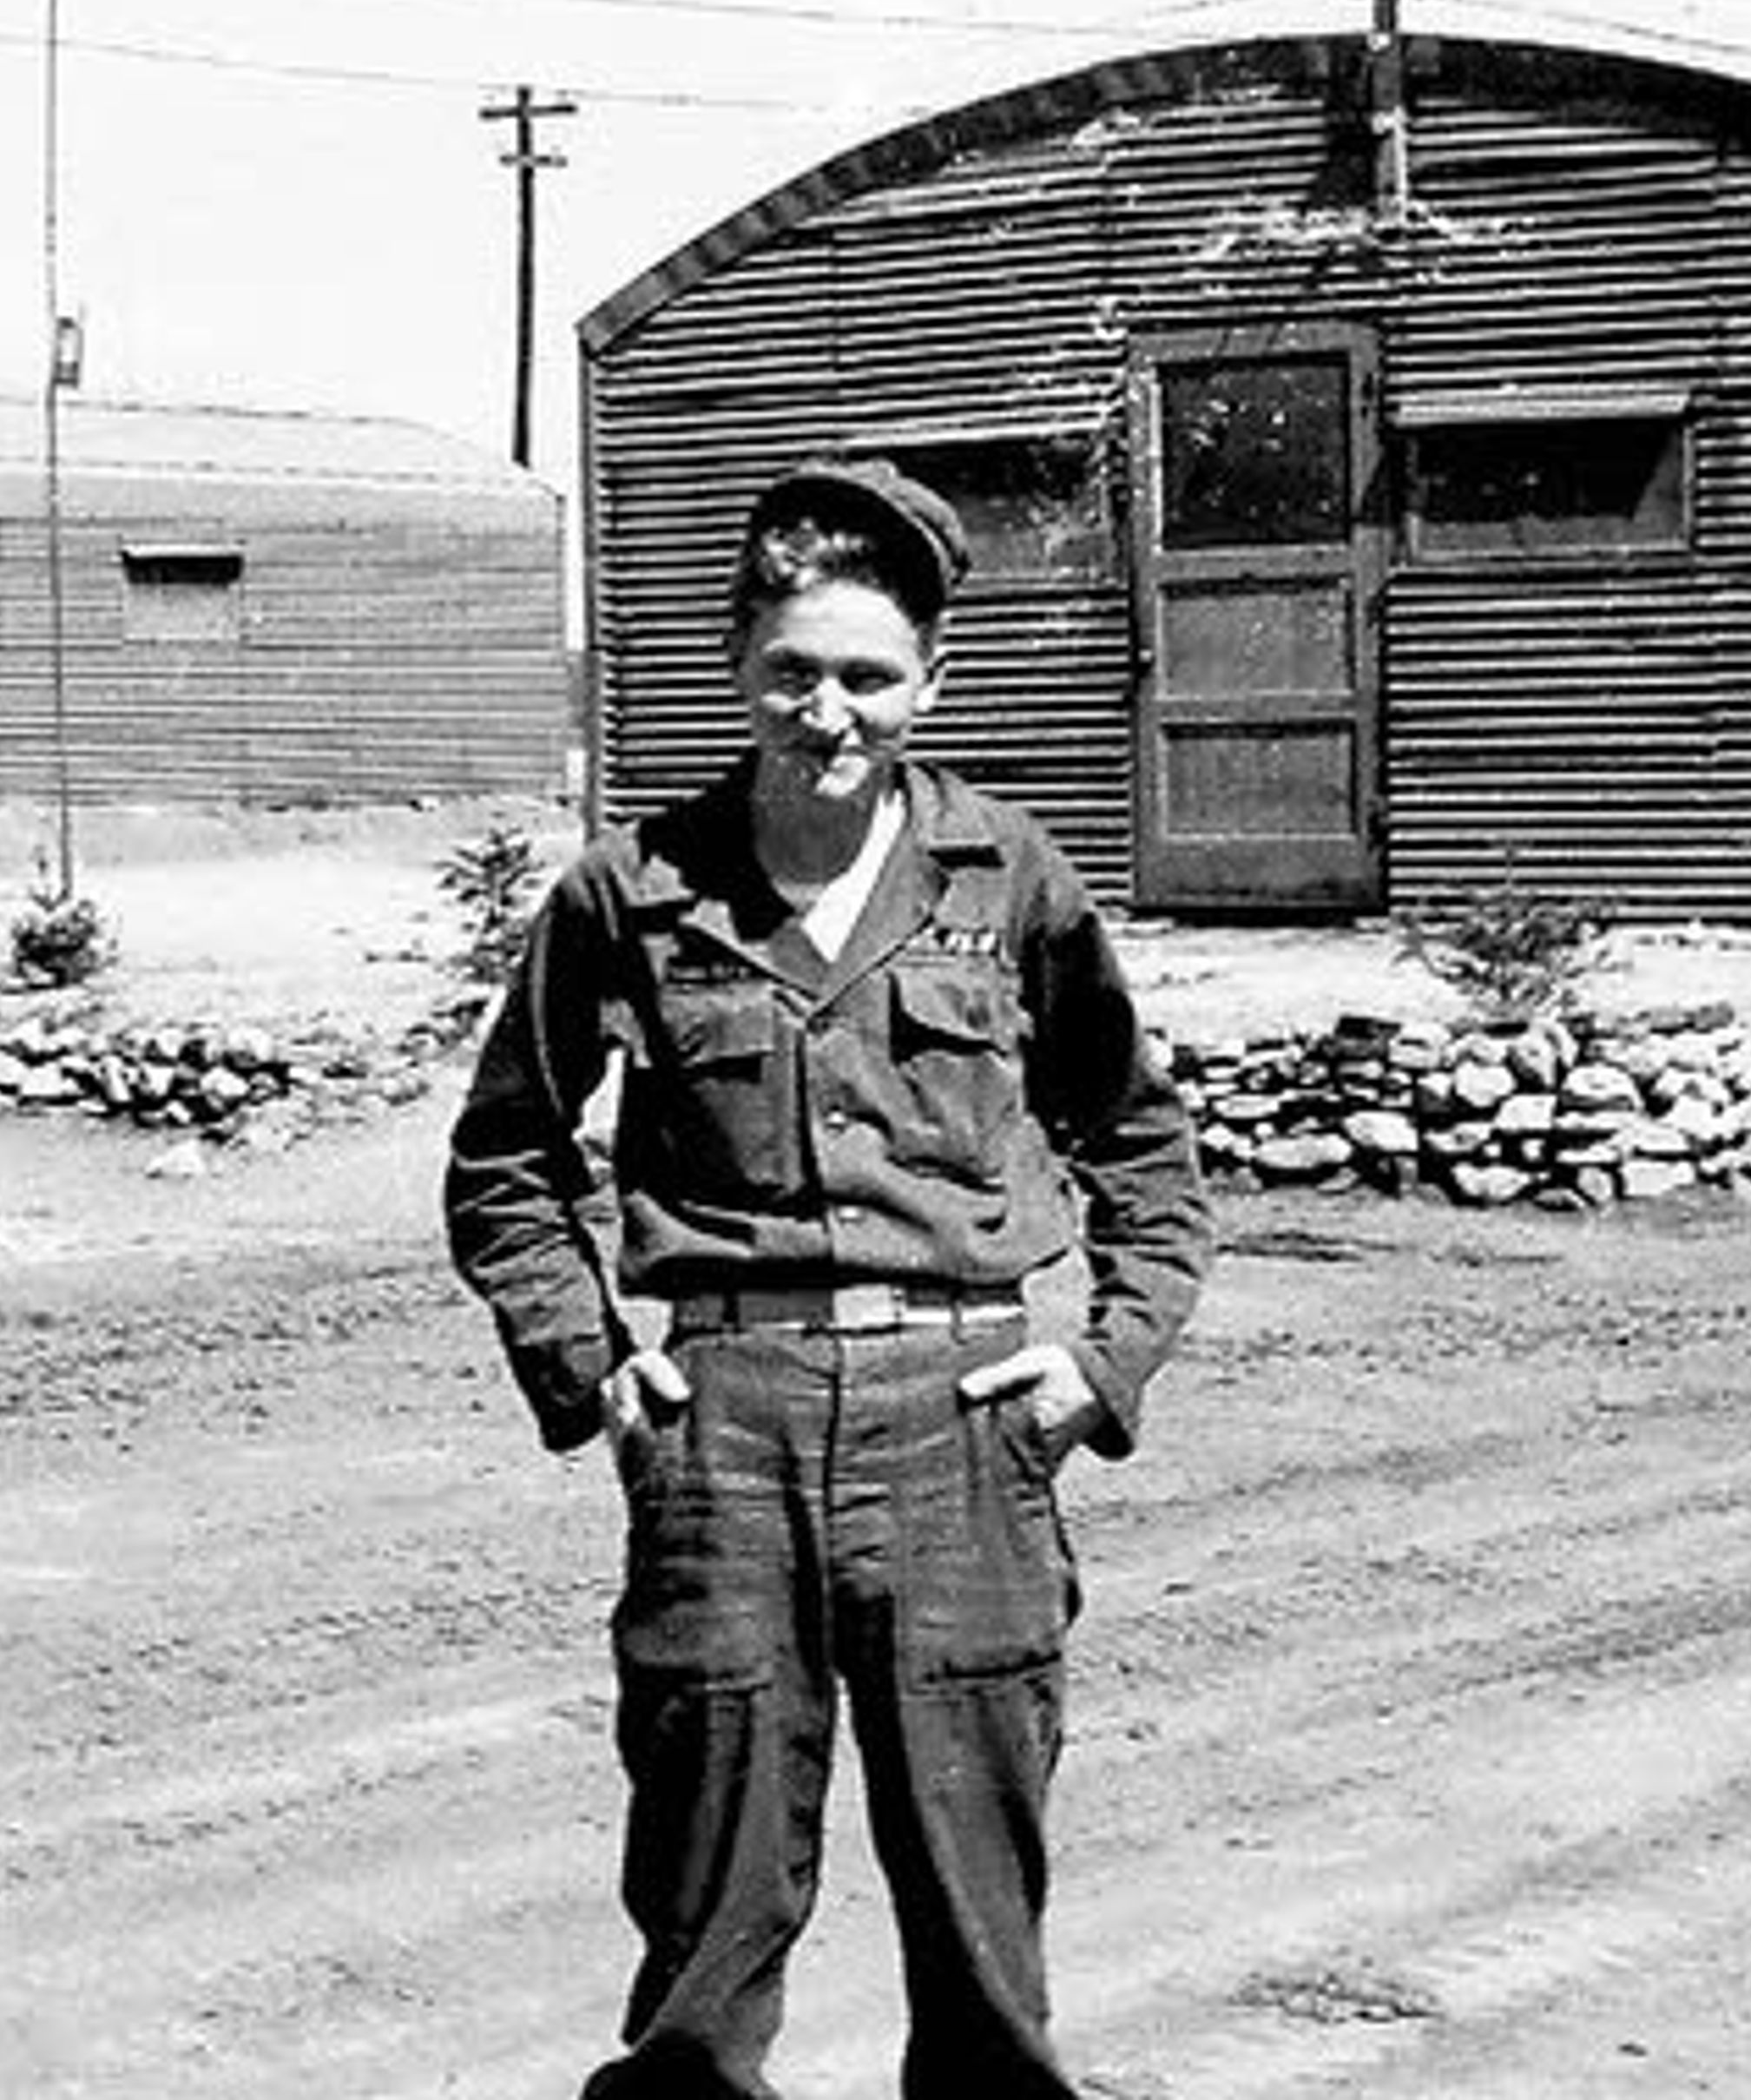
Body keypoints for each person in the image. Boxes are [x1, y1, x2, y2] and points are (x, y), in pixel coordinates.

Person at [444, 457, 1214, 2098]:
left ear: (928, 682)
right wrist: (592, 1365)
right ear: (740, 671)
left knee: (978, 1909)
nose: (830, 712)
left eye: (870, 676)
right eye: (793, 671)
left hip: (966, 1423)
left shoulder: (1008, 880)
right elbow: (506, 1159)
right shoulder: (631, 892)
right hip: (727, 1426)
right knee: (709, 1908)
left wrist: (1105, 1361)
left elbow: (1142, 1144)